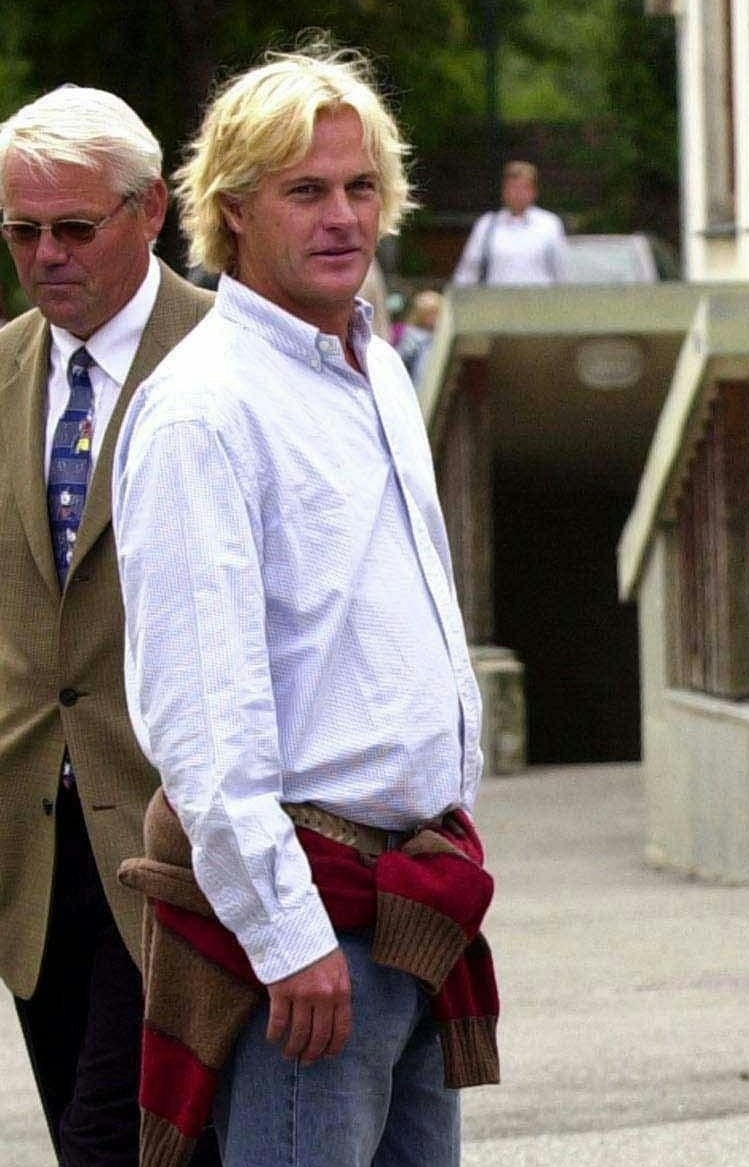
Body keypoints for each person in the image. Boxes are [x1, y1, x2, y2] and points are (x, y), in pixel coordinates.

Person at [111, 44, 496, 1166]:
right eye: (305, 191)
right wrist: (284, 938)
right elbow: (201, 716)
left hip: (416, 905)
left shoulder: (373, 362)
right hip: (312, 928)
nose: (343, 217)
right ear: (231, 212)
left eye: (360, 186)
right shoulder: (203, 410)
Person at [0, 84, 217, 1167]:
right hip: (33, 861)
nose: (45, 256)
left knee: (116, 1147)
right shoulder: (2, 372)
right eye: (21, 230)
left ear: (151, 211)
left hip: (185, 846)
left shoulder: (233, 358)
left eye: (73, 227)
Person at [450, 159, 567, 286]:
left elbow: (562, 270)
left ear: (534, 192)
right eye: (513, 187)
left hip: (539, 302)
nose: (518, 193)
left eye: (524, 188)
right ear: (504, 191)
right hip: (497, 301)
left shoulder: (549, 224)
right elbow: (469, 270)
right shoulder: (487, 224)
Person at [396, 287, 443, 382]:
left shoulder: (441, 336)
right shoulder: (412, 336)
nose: (434, 317)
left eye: (437, 313)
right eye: (430, 313)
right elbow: (400, 359)